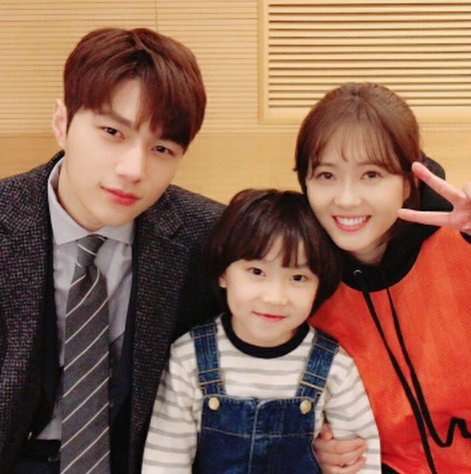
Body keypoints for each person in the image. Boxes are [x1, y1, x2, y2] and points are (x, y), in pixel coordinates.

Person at [0, 27, 224, 474]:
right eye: (112, 132)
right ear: (62, 123)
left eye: (162, 148)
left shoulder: (209, 237)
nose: (134, 169)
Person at [294, 82, 471, 473]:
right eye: (326, 175)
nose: (346, 199)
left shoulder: (467, 244)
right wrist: (317, 446)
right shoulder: (303, 282)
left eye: (371, 174)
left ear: (410, 180)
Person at [142, 188, 381, 473]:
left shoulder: (333, 364)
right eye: (256, 272)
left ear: (320, 286)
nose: (274, 298)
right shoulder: (189, 356)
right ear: (223, 273)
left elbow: (360, 460)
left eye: (298, 277)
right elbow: (166, 460)